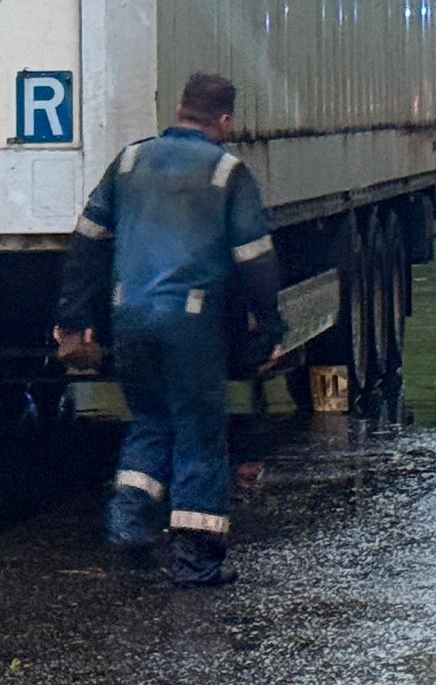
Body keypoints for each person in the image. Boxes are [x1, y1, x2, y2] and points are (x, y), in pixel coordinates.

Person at [53, 73, 285, 587]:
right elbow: (255, 262)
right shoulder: (226, 171)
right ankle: (196, 561)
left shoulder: (130, 161)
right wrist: (269, 329)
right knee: (199, 431)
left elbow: (87, 242)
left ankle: (129, 520)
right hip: (191, 324)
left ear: (179, 109)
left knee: (152, 419)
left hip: (129, 316)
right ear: (225, 120)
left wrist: (74, 317)